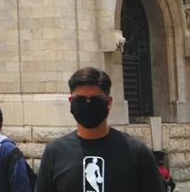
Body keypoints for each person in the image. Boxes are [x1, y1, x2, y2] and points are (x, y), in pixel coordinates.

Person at [35, 67, 164, 192]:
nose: (88, 104)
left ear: (109, 102)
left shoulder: (137, 153)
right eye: (80, 100)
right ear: (71, 101)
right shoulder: (54, 153)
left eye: (95, 99)